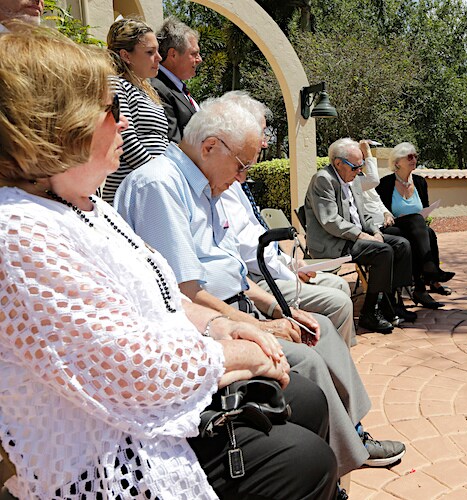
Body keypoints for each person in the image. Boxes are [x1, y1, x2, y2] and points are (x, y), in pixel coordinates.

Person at [0, 28, 338, 499]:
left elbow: (162, 298)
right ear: (59, 126)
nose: (126, 127)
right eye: (112, 112)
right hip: (117, 447)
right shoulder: (20, 234)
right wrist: (238, 354)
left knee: (306, 398)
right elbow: (134, 371)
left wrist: (221, 329)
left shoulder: (87, 206)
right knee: (306, 461)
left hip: (166, 388)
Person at [114, 98, 407, 475]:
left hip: (234, 304)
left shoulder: (202, 184)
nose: (241, 176)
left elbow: (230, 271)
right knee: (308, 358)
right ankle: (338, 464)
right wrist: (261, 327)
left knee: (323, 329)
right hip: (207, 325)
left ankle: (353, 433)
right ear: (209, 146)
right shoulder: (161, 186)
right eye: (242, 164)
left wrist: (277, 309)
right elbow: (186, 293)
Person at [219, 91, 357, 347]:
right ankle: (330, 362)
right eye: (261, 132)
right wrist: (289, 269)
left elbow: (256, 236)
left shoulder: (235, 181)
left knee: (340, 286)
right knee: (339, 301)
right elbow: (250, 251)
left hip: (273, 268)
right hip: (258, 279)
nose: (265, 143)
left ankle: (337, 359)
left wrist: (290, 262)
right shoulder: (224, 183)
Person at [304, 137, 417, 333]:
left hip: (355, 236)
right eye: (355, 167)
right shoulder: (323, 180)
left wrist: (374, 231)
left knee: (402, 245)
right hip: (333, 242)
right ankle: (369, 313)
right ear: (338, 163)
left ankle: (391, 305)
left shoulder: (353, 179)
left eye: (361, 166)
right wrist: (361, 236)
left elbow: (363, 214)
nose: (359, 171)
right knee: (382, 252)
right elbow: (330, 220)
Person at [376, 142, 455, 309]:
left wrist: (417, 218)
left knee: (429, 232)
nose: (414, 159)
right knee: (419, 227)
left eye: (415, 156)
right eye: (409, 157)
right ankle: (430, 274)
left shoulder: (420, 182)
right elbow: (379, 210)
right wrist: (391, 215)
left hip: (414, 228)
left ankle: (421, 286)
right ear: (397, 162)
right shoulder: (385, 183)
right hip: (393, 226)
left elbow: (424, 208)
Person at [102, 18, 170, 204]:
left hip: (151, 187)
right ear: (126, 55)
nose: (159, 58)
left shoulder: (147, 90)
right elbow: (126, 139)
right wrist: (158, 175)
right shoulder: (117, 85)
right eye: (150, 52)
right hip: (132, 193)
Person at [152, 16, 202, 142]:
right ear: (173, 54)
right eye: (194, 54)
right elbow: (173, 144)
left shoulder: (178, 88)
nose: (199, 59)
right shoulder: (157, 88)